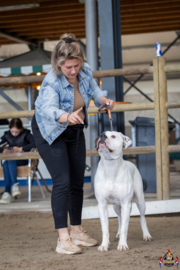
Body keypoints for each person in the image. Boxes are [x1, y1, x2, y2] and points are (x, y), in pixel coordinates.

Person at [32, 33, 114, 255]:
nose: (73, 71)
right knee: (63, 182)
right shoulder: (50, 81)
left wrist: (103, 100)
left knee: (78, 182)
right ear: (59, 65)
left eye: (76, 65)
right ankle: (63, 238)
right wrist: (65, 116)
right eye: (68, 67)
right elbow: (46, 109)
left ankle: (77, 231)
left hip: (74, 127)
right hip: (51, 131)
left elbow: (94, 91)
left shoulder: (84, 70)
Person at [0, 118, 36, 204]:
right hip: (12, 161)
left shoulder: (26, 134)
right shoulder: (7, 135)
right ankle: (13, 188)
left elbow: (35, 143)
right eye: (12, 131)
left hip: (24, 161)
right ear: (9, 129)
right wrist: (3, 150)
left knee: (8, 162)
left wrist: (21, 149)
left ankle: (8, 192)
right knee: (6, 163)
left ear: (21, 129)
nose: (14, 134)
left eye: (17, 132)